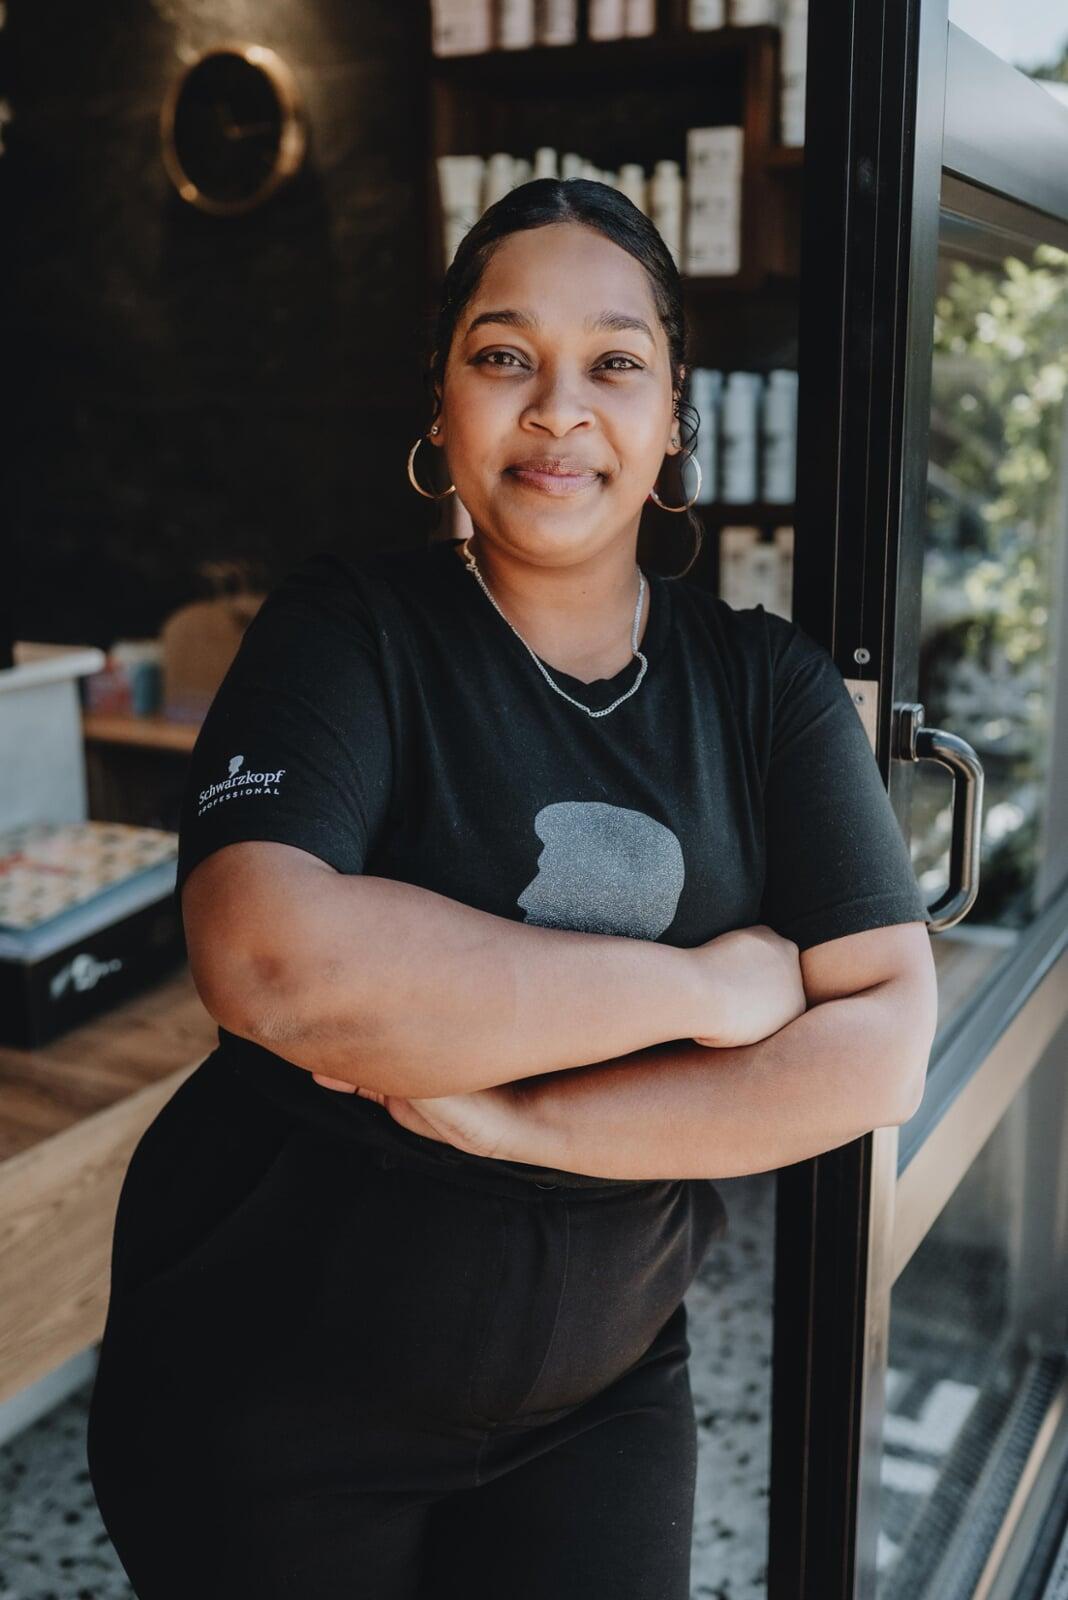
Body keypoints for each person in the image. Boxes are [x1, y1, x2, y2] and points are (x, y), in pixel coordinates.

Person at [86, 177, 938, 1599]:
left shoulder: (766, 686)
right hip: (270, 1401)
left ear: (673, 423)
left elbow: (881, 1044)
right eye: (502, 356)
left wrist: (515, 1120)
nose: (558, 408)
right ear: (440, 407)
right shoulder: (343, 633)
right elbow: (275, 962)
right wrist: (709, 988)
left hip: (600, 1401)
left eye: (614, 362)